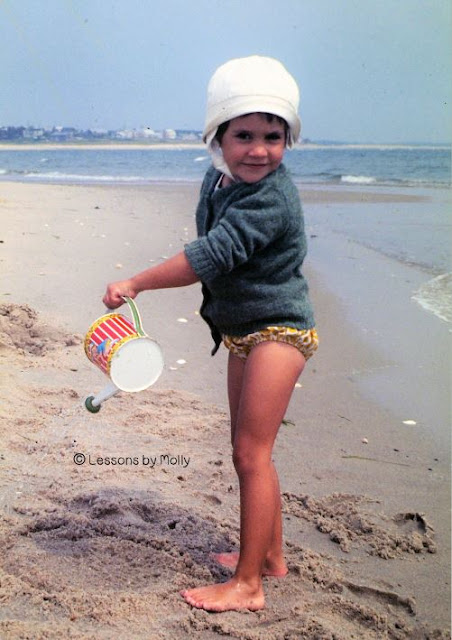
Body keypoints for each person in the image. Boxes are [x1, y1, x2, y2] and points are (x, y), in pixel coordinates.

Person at [103, 55, 318, 612]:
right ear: (216, 138)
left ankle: (249, 586)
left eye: (273, 137)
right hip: (244, 330)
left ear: (287, 141)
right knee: (246, 448)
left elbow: (209, 256)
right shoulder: (218, 179)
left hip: (280, 331)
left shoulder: (270, 199)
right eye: (243, 135)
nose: (258, 149)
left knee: (253, 454)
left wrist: (138, 282)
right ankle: (269, 556)